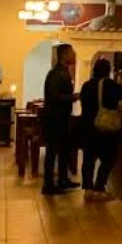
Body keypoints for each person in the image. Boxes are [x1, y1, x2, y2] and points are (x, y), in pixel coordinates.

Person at [79, 58, 122, 201]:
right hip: (106, 129)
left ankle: (88, 189)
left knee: (88, 159)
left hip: (88, 127)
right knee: (108, 159)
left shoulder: (86, 85)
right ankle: (99, 187)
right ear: (109, 70)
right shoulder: (111, 85)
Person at [42, 44, 79, 196]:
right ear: (64, 55)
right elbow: (54, 96)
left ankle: (63, 179)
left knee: (64, 149)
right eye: (71, 52)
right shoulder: (56, 74)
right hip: (54, 118)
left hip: (62, 117)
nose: (74, 55)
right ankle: (48, 184)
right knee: (52, 151)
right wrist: (73, 97)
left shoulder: (63, 72)